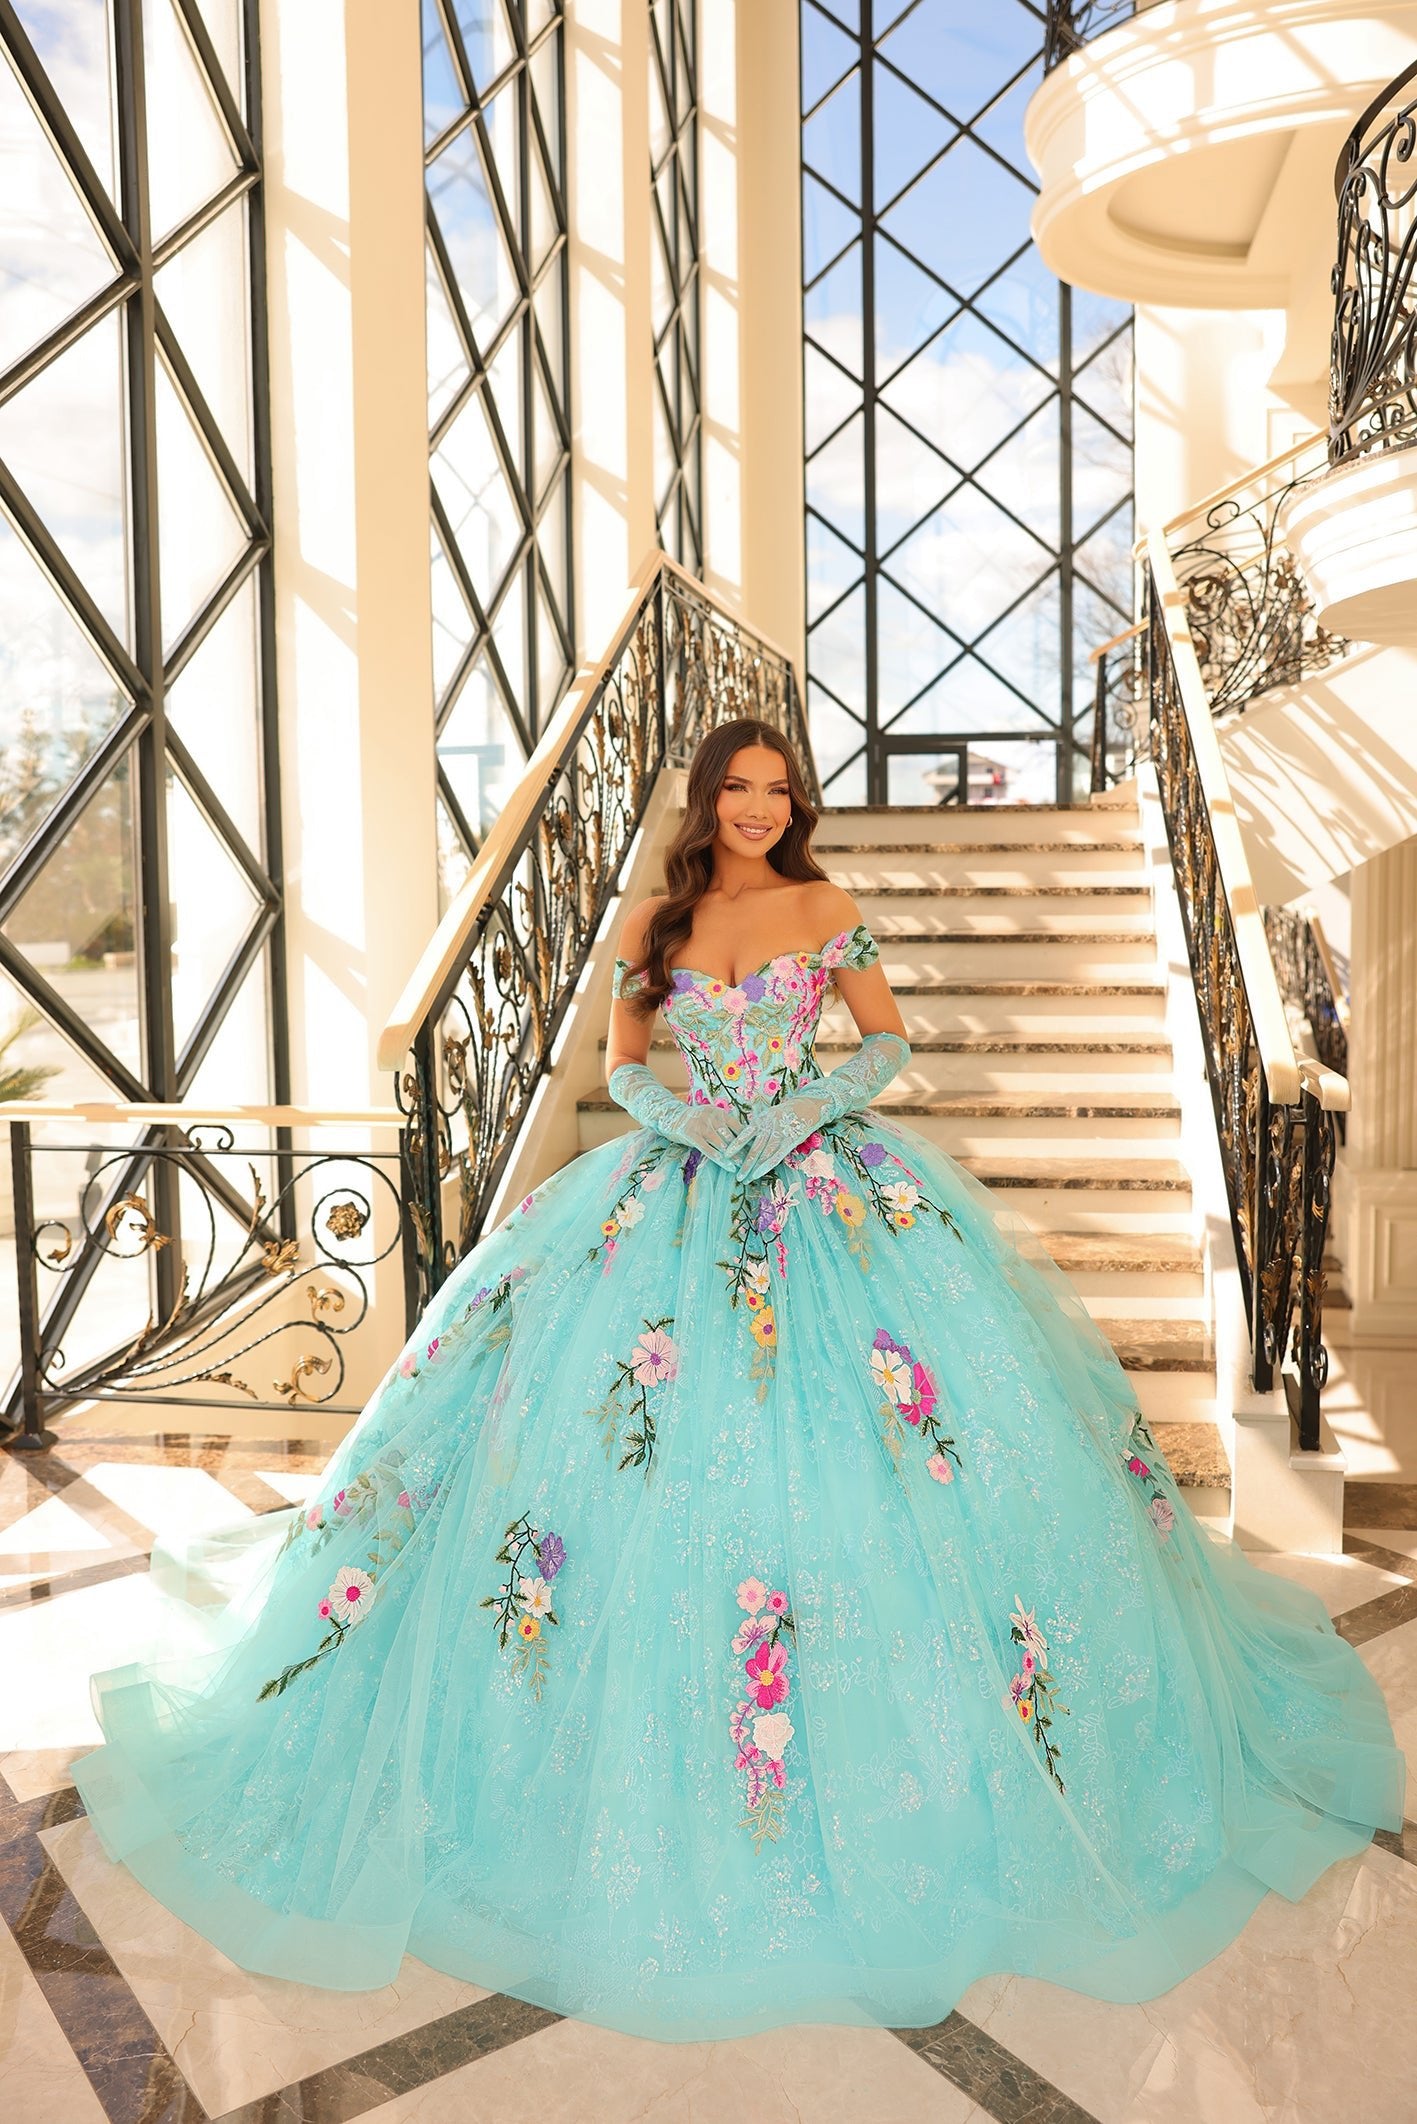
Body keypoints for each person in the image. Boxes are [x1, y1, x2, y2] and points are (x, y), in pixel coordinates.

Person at [74, 717, 1403, 2045]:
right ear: (703, 799)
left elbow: (882, 1044)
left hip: (818, 1178)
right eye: (736, 787)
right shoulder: (656, 919)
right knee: (591, 1449)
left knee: (887, 1459)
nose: (759, 807)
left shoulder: (827, 904)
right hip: (670, 1186)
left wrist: (804, 1106)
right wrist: (686, 1117)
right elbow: (619, 1066)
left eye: (777, 788)